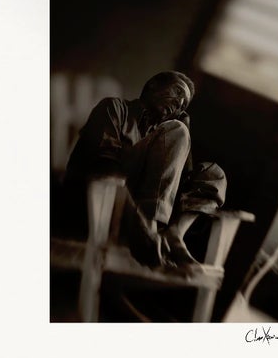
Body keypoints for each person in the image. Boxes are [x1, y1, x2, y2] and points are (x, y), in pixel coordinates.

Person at [59, 70, 227, 271]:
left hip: (137, 216)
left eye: (184, 104)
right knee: (175, 132)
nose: (180, 103)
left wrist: (183, 137)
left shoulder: (167, 134)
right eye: (177, 92)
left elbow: (182, 184)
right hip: (94, 205)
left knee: (214, 173)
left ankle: (175, 233)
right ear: (153, 85)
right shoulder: (115, 108)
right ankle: (150, 227)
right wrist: (142, 226)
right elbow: (105, 169)